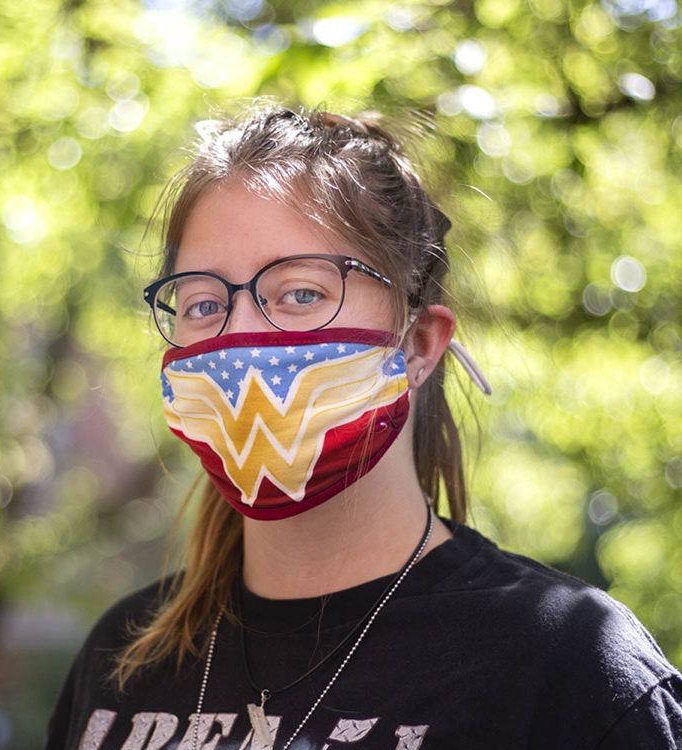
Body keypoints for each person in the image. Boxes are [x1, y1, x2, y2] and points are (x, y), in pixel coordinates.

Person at [46, 106, 682, 750]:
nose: (240, 335)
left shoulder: (567, 666)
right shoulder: (121, 662)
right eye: (204, 304)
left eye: (300, 294)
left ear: (419, 343)